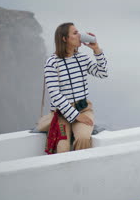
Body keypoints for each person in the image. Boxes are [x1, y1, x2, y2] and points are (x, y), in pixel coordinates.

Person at [43, 22, 108, 154]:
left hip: (83, 109)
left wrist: (96, 50)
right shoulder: (52, 63)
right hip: (61, 113)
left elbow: (103, 73)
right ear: (64, 39)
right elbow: (55, 94)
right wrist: (76, 116)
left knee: (83, 138)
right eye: (75, 33)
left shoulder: (82, 58)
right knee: (62, 148)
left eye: (78, 32)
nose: (80, 35)